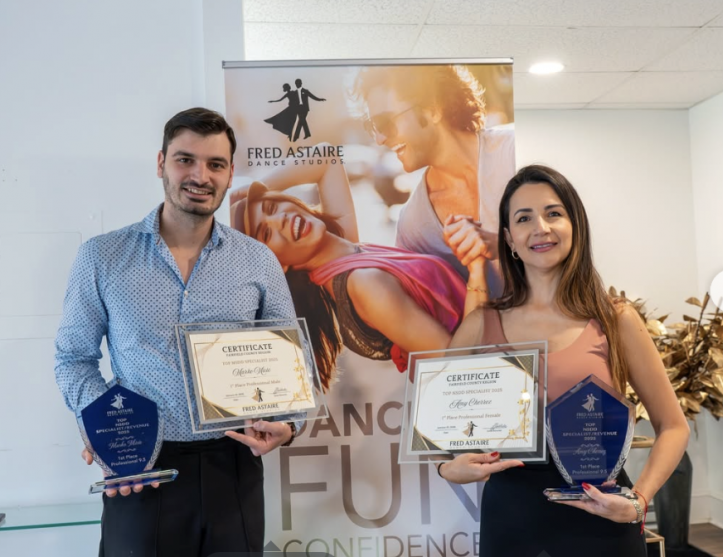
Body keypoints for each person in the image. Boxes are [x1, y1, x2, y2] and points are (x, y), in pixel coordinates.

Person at [54, 108, 302, 557]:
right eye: (185, 160)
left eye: (215, 164)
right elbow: (73, 358)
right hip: (140, 467)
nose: (200, 176)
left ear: (230, 174)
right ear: (161, 163)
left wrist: (289, 423)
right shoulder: (102, 257)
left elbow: (290, 364)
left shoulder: (258, 260)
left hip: (234, 465)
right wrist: (108, 427)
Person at [438, 165, 690, 557]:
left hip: (603, 518)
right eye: (524, 218)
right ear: (509, 238)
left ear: (575, 225)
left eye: (553, 213)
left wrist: (639, 502)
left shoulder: (616, 319)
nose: (540, 228)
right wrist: (445, 466)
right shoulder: (479, 324)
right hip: (511, 520)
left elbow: (674, 426)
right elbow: (436, 426)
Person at [230, 152, 489, 388]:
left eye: (272, 207)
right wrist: (476, 268)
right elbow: (457, 366)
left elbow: (326, 158)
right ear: (278, 265)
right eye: (266, 233)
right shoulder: (364, 283)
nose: (280, 220)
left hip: (499, 351)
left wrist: (255, 188)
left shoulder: (344, 249)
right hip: (490, 378)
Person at [353, 64, 516, 295]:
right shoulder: (413, 227)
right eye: (373, 127)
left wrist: (503, 245)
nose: (379, 139)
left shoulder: (515, 151)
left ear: (432, 109)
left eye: (385, 122)